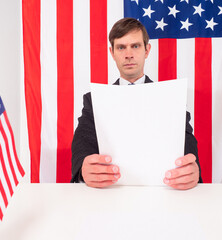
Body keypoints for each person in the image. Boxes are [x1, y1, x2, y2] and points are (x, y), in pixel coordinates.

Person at [71, 18, 202, 189]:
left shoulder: (169, 96)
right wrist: (83, 168)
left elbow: (186, 141)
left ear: (147, 50)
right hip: (111, 192)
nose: (128, 55)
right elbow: (82, 141)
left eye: (135, 46)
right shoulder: (95, 99)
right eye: (121, 47)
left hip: (162, 190)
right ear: (112, 53)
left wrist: (192, 169)